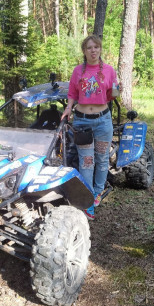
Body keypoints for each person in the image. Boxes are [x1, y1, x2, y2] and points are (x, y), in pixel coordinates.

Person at [61, 35, 119, 220]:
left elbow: (112, 95)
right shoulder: (78, 71)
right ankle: (87, 200)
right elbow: (72, 92)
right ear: (84, 51)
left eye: (96, 47)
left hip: (103, 121)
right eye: (89, 47)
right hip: (82, 121)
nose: (93, 50)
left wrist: (117, 90)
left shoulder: (109, 71)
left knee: (102, 159)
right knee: (87, 161)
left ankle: (97, 193)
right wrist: (69, 108)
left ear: (100, 49)